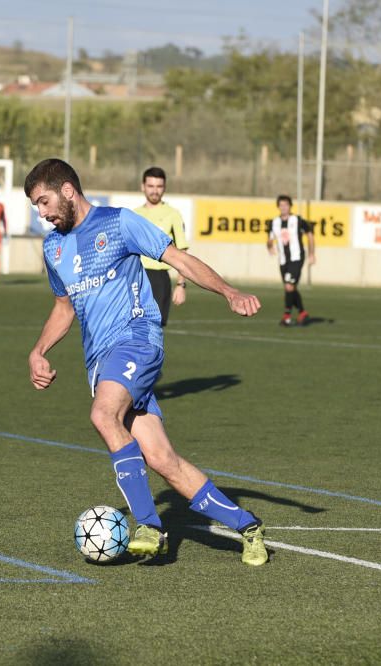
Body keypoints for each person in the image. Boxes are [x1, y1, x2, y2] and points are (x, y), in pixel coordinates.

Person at [24, 158, 268, 566]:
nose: (42, 213)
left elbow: (179, 260)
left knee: (104, 416)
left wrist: (228, 291)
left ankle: (150, 525)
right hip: (101, 363)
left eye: (44, 201)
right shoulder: (54, 247)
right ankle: (249, 527)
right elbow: (64, 307)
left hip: (138, 340)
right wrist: (38, 351)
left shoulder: (119, 223)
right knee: (161, 460)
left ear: (68, 190)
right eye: (36, 206)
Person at [133, 167, 189, 327]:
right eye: (151, 186)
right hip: (136, 277)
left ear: (164, 188)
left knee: (154, 328)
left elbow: (182, 251)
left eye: (159, 186)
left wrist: (181, 284)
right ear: (143, 186)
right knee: (131, 328)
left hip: (159, 279)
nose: (155, 191)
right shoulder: (134, 214)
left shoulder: (173, 214)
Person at [267, 194, 315, 326]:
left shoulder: (297, 220)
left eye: (286, 205)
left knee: (289, 286)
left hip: (296, 257)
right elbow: (270, 239)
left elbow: (310, 234)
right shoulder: (274, 222)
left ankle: (286, 316)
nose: (283, 207)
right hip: (283, 260)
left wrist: (312, 253)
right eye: (281, 205)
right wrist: (269, 246)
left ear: (290, 206)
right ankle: (302, 313)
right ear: (278, 206)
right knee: (290, 288)